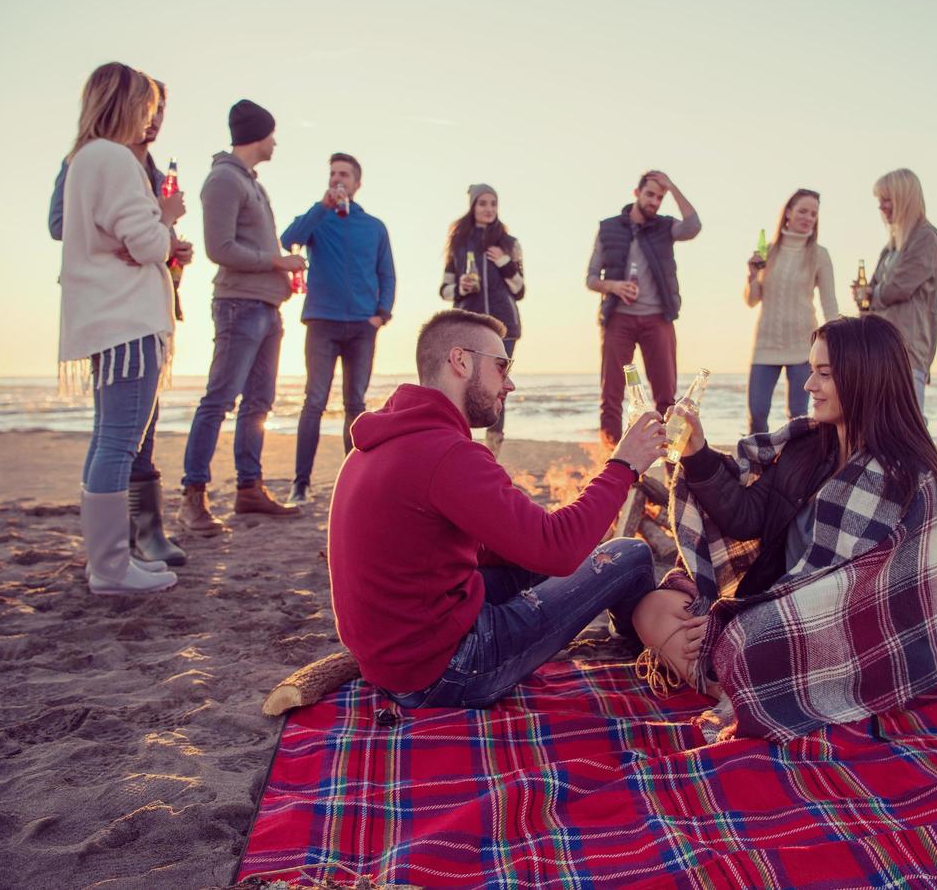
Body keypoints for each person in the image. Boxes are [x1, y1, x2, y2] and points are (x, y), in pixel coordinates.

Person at [631, 314, 937, 740]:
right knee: (653, 609)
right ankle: (731, 687)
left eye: (824, 374)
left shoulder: (907, 478)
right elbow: (748, 516)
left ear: (866, 377)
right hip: (769, 606)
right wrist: (697, 452)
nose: (808, 385)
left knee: (746, 643)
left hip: (843, 630)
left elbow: (873, 592)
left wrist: (745, 619)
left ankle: (737, 680)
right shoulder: (806, 448)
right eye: (811, 371)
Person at [327, 310, 667, 709]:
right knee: (630, 554)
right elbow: (558, 549)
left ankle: (635, 633)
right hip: (447, 672)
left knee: (538, 555)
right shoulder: (447, 454)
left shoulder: (388, 438)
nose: (510, 383)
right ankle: (641, 645)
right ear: (461, 361)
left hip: (395, 658)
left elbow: (477, 544)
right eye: (502, 366)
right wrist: (624, 464)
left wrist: (533, 540)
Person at [48, 77, 191, 569]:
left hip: (114, 313)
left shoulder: (94, 156)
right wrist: (165, 220)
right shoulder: (110, 159)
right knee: (119, 440)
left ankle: (112, 558)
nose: (154, 118)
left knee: (112, 437)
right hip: (126, 316)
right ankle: (111, 565)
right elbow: (139, 241)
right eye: (148, 107)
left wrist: (162, 243)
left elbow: (129, 238)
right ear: (127, 105)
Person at [178, 100, 304, 532]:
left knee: (259, 403)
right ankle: (193, 496)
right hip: (238, 306)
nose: (276, 141)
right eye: (272, 133)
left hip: (266, 308)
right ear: (257, 134)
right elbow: (219, 248)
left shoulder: (251, 182)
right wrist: (276, 263)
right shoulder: (223, 180)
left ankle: (249, 490)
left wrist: (279, 272)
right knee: (218, 400)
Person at [281, 153, 396, 505]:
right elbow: (290, 239)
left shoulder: (374, 226)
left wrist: (381, 315)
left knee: (355, 404)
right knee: (313, 401)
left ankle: (353, 480)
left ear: (358, 182)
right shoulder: (318, 219)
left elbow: (387, 273)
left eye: (344, 174)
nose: (337, 179)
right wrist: (321, 205)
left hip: (362, 326)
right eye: (332, 174)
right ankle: (300, 484)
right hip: (322, 321)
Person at [585, 170, 701, 446]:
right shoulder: (608, 228)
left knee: (665, 396)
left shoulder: (665, 227)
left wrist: (672, 186)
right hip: (618, 319)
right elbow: (590, 279)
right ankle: (610, 461)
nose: (654, 201)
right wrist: (614, 287)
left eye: (660, 197)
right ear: (636, 193)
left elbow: (694, 225)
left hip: (658, 319)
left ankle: (669, 461)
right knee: (611, 396)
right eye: (650, 194)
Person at [438, 183, 525, 455]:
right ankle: (461, 446)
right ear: (473, 206)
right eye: (483, 203)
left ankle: (493, 453)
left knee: (498, 389)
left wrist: (504, 262)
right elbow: (444, 289)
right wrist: (460, 288)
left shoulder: (509, 244)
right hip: (468, 328)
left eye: (493, 204)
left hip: (504, 329)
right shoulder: (459, 244)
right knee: (463, 384)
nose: (488, 209)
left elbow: (520, 289)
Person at [744, 188, 837, 434]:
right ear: (788, 213)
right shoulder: (769, 250)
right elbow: (752, 300)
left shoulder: (819, 254)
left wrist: (839, 341)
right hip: (766, 344)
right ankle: (757, 468)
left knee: (799, 416)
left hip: (803, 346)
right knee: (758, 412)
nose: (808, 218)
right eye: (803, 211)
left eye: (814, 214)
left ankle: (798, 467)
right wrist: (752, 276)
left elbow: (829, 302)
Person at [851, 168, 937, 413]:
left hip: (907, 349)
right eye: (879, 200)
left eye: (887, 199)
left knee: (906, 426)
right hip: (880, 347)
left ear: (905, 198)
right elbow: (874, 294)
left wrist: (871, 294)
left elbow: (898, 288)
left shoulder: (925, 237)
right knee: (876, 422)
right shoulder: (892, 246)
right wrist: (866, 295)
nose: (881, 207)